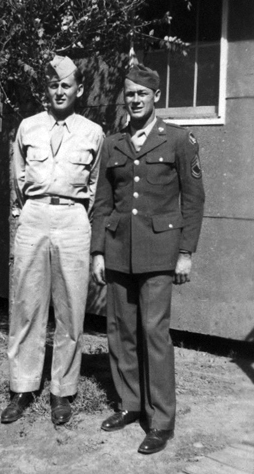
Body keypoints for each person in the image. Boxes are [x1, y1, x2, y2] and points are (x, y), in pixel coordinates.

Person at [91, 64, 205, 454]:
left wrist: (186, 252)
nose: (135, 100)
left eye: (142, 93)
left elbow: (194, 199)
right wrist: (98, 251)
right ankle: (129, 404)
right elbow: (103, 202)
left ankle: (160, 421)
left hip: (160, 253)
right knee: (120, 333)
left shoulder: (177, 139)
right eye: (130, 94)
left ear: (156, 96)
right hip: (119, 250)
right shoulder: (113, 143)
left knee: (154, 334)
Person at [1, 55, 104, 426]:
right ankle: (23, 388)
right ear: (46, 90)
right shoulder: (27, 127)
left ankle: (62, 392)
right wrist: (28, 212)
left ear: (78, 89)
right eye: (53, 85)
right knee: (27, 305)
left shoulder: (93, 132)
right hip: (34, 215)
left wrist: (80, 217)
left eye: (66, 85)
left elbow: (95, 186)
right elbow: (17, 179)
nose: (59, 91)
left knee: (71, 309)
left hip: (74, 218)